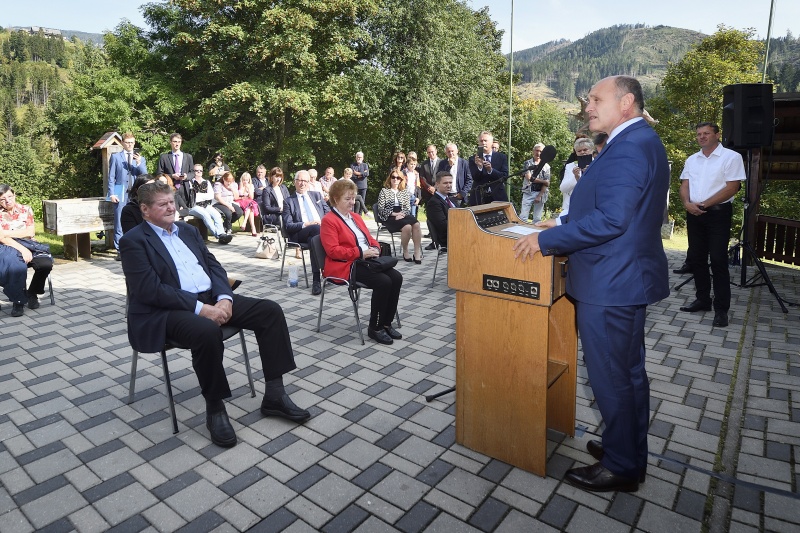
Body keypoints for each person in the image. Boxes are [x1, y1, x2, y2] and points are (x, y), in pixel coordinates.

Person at [513, 75, 670, 493]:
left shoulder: (629, 145)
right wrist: (562, 219)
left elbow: (613, 219)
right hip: (622, 277)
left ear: (626, 102)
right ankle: (628, 450)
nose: (588, 106)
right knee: (628, 374)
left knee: (612, 376)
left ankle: (621, 466)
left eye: (597, 99)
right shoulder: (637, 139)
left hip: (611, 281)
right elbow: (618, 206)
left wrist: (544, 240)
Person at [120, 181, 309, 448]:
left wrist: (224, 298)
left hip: (211, 298)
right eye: (163, 204)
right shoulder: (133, 241)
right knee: (206, 331)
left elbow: (214, 266)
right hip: (167, 311)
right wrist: (201, 309)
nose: (171, 208)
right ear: (145, 210)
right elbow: (149, 290)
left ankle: (275, 395)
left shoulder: (188, 231)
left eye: (172, 202)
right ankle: (215, 408)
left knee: (269, 311)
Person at [678, 122, 746, 327]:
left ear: (717, 135)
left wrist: (705, 204)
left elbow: (732, 187)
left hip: (718, 214)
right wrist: (687, 204)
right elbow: (684, 185)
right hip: (694, 214)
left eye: (706, 133)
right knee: (697, 259)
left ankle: (721, 310)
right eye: (699, 134)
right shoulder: (692, 159)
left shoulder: (731, 157)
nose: (702, 137)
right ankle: (703, 300)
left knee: (718, 260)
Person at [320, 179, 403, 345]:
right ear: (336, 199)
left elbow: (369, 239)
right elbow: (333, 251)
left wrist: (376, 248)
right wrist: (360, 253)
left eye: (353, 198)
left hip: (367, 260)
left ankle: (386, 324)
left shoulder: (356, 217)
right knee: (384, 282)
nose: (352, 202)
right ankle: (375, 328)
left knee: (396, 277)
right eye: (347, 199)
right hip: (346, 265)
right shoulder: (329, 220)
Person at [0, 184, 54, 317]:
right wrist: (22, 247)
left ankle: (32, 292)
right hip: (7, 246)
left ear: (14, 195)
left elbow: (30, 232)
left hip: (29, 244)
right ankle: (18, 302)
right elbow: (1, 238)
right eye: (2, 199)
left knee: (45, 263)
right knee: (16, 266)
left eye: (10, 197)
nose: (7, 201)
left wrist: (7, 233)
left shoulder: (26, 209)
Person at [282, 170, 330, 295]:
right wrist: (307, 224)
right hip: (300, 233)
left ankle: (316, 280)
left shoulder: (317, 196)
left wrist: (322, 223)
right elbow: (288, 226)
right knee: (315, 230)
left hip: (319, 232)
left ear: (309, 183)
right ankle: (325, 273)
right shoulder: (288, 201)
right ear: (295, 182)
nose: (302, 183)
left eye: (305, 181)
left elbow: (329, 214)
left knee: (313, 239)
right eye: (300, 180)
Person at [108, 132, 147, 256]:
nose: (130, 145)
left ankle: (136, 246)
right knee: (119, 221)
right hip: (120, 192)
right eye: (127, 142)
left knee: (137, 219)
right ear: (122, 143)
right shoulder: (116, 157)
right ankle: (120, 250)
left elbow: (145, 176)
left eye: (132, 142)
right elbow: (111, 177)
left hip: (135, 194)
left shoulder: (140, 158)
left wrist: (139, 163)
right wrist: (111, 194)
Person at [377, 170, 423, 263]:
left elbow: (407, 208)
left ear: (401, 180)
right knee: (407, 227)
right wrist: (394, 214)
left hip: (403, 213)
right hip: (389, 216)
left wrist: (402, 214)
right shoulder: (384, 191)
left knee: (416, 224)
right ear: (390, 178)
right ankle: (405, 251)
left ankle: (416, 252)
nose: (395, 179)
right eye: (393, 177)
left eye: (398, 178)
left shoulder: (404, 192)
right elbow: (381, 209)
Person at [180, 165, 232, 244]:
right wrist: (203, 196)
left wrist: (198, 195)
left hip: (205, 205)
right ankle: (220, 236)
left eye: (200, 170)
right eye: (196, 170)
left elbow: (211, 196)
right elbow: (192, 198)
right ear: (193, 172)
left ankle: (222, 234)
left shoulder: (206, 182)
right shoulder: (189, 182)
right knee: (206, 215)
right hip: (193, 206)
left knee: (217, 215)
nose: (199, 172)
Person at [468, 131, 509, 205]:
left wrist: (491, 170)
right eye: (481, 141)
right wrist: (479, 167)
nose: (483, 143)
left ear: (492, 142)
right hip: (479, 197)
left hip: (498, 196)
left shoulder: (501, 157)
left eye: (485, 140)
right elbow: (475, 178)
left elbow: (504, 176)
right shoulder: (473, 159)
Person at [559, 138, 594, 218]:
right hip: (571, 207)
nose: (582, 152)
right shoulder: (570, 166)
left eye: (585, 149)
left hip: (591, 208)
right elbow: (563, 189)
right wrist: (576, 177)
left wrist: (590, 174)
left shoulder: (597, 165)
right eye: (579, 151)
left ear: (592, 150)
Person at [519, 143, 551, 223]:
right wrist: (543, 181)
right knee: (523, 217)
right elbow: (529, 178)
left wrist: (539, 196)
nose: (538, 153)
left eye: (540, 151)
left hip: (541, 193)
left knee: (537, 219)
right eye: (537, 150)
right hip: (528, 191)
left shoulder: (547, 167)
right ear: (533, 151)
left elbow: (547, 184)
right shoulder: (528, 163)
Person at [436, 143, 472, 207]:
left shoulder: (464, 163)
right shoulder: (442, 163)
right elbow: (440, 177)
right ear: (446, 153)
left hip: (460, 196)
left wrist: (462, 193)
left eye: (452, 151)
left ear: (457, 151)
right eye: (448, 151)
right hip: (446, 195)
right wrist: (449, 166)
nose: (451, 153)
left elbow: (469, 180)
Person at [425, 171, 455, 249]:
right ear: (437, 184)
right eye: (445, 183)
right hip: (449, 239)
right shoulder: (434, 203)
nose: (449, 185)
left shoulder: (451, 200)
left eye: (450, 183)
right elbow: (443, 226)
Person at [236, 172, 260, 236]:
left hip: (248, 201)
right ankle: (253, 228)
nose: (245, 181)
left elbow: (252, 197)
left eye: (247, 180)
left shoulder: (251, 186)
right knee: (250, 206)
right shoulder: (239, 185)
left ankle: (245, 223)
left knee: (250, 206)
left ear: (249, 180)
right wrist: (242, 195)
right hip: (240, 200)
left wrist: (248, 189)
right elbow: (237, 196)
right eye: (244, 180)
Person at [404, 151, 421, 217]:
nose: (413, 166)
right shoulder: (403, 172)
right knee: (405, 214)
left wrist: (418, 198)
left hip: (413, 196)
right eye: (411, 164)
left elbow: (418, 187)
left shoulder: (416, 174)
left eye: (414, 164)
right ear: (407, 163)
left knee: (413, 215)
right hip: (405, 196)